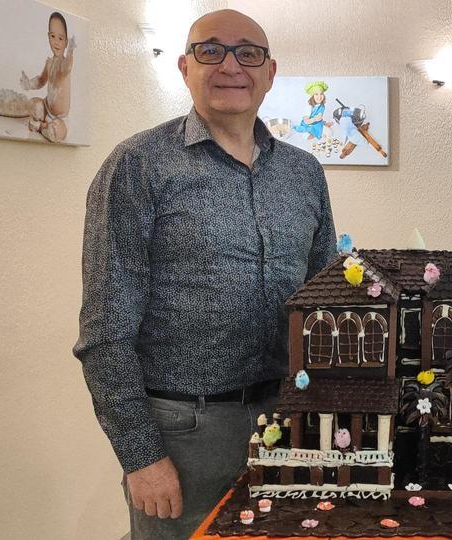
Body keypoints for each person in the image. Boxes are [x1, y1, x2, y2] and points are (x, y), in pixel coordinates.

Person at [73, 9, 336, 539]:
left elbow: (323, 302)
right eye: (210, 50)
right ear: (184, 66)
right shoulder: (138, 165)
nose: (230, 65)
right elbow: (105, 330)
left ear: (269, 72)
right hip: (183, 431)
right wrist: (141, 455)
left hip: (287, 420)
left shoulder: (304, 172)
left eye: (248, 53)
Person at [20, 11, 74, 143]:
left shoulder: (64, 65)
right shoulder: (49, 63)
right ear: (48, 37)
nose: (56, 42)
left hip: (60, 117)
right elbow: (41, 80)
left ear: (66, 42)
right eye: (53, 36)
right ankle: (42, 121)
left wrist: (71, 53)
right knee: (33, 103)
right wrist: (29, 84)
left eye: (60, 38)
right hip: (46, 106)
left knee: (58, 132)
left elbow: (67, 68)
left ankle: (43, 126)